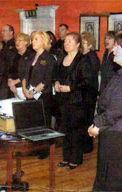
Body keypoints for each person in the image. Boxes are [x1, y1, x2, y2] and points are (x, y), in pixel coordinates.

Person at [88, 33, 122, 191]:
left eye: (117, 47)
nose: (113, 50)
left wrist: (97, 126)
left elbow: (116, 110)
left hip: (120, 136)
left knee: (113, 180)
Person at [54, 32, 92, 169]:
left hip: (77, 101)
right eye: (65, 41)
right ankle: (66, 157)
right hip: (63, 100)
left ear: (77, 44)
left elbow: (87, 82)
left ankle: (75, 159)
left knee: (76, 130)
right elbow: (56, 75)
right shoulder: (62, 59)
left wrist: (71, 88)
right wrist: (56, 83)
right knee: (65, 129)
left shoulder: (83, 60)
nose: (66, 44)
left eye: (70, 41)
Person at [22, 31, 56, 160]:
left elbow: (47, 80)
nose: (32, 42)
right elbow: (25, 75)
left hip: (42, 95)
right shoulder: (31, 57)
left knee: (43, 123)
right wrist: (25, 89)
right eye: (32, 39)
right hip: (29, 94)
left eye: (36, 39)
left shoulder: (49, 58)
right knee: (32, 122)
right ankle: (34, 147)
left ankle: (44, 149)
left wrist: (34, 91)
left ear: (43, 41)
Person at [81, 32, 100, 153]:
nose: (81, 45)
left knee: (87, 119)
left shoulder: (91, 57)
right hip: (87, 93)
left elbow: (89, 77)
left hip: (89, 93)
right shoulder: (86, 56)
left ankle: (87, 147)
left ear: (89, 45)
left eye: (83, 43)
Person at [99, 31, 121, 97]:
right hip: (104, 85)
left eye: (109, 38)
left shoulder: (117, 54)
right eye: (105, 38)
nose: (106, 40)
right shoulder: (106, 52)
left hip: (112, 87)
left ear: (115, 41)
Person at [1, 24, 18, 98]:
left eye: (4, 31)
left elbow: (12, 63)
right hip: (1, 79)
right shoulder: (1, 45)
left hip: (10, 78)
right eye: (2, 31)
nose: (2, 33)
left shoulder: (15, 45)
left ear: (11, 33)